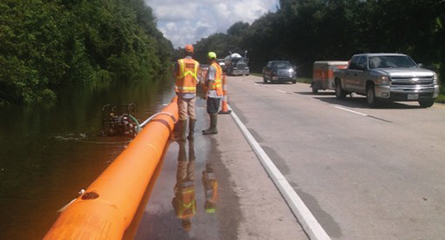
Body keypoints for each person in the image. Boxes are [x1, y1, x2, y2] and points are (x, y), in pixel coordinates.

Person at [174, 44, 200, 141]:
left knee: (183, 113)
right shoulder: (197, 64)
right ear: (192, 52)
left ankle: (182, 136)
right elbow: (198, 77)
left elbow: (174, 74)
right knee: (192, 112)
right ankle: (191, 135)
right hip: (192, 91)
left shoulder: (179, 62)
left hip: (182, 92)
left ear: (184, 52)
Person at [202, 52, 223, 135]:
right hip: (218, 92)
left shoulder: (212, 67)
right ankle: (212, 128)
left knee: (212, 110)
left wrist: (206, 93)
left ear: (209, 58)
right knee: (213, 110)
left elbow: (211, 80)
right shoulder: (218, 66)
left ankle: (213, 128)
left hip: (213, 92)